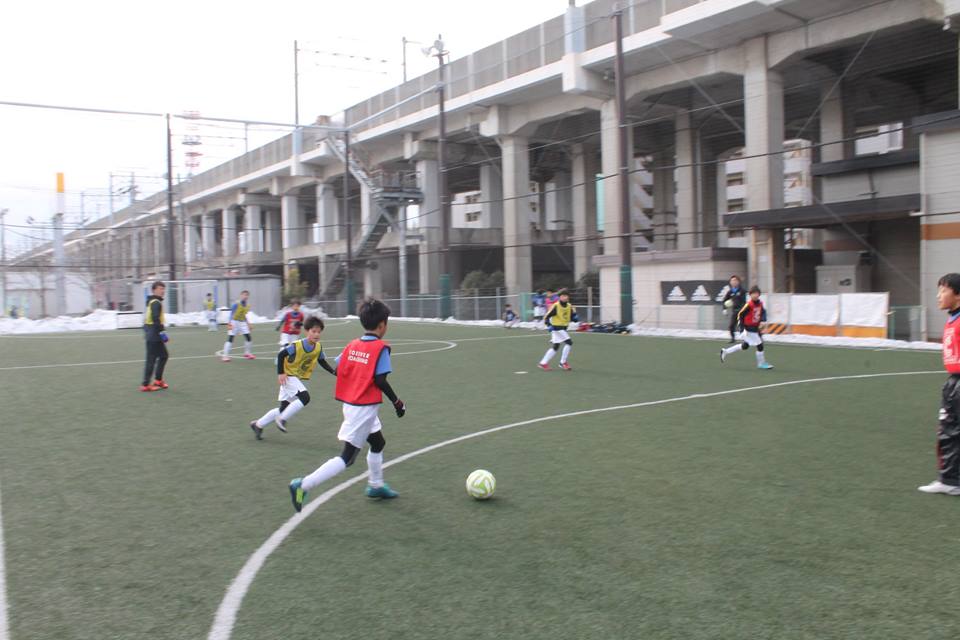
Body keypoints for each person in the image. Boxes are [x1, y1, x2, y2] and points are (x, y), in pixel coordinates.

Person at [289, 298, 406, 511]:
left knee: (378, 443)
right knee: (348, 457)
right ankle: (303, 485)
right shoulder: (381, 348)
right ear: (382, 325)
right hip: (363, 408)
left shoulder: (353, 344)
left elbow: (340, 363)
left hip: (354, 403)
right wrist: (397, 403)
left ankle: (375, 485)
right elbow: (380, 380)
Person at [249, 315, 336, 440]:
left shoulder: (318, 347)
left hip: (297, 378)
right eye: (313, 331)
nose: (316, 334)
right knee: (305, 398)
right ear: (307, 331)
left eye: (319, 332)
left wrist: (333, 372)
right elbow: (281, 355)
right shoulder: (297, 345)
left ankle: (258, 425)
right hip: (288, 376)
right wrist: (281, 373)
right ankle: (282, 419)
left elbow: (322, 361)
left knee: (283, 408)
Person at [918, 273, 960, 496]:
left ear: (958, 295)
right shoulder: (952, 318)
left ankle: (951, 480)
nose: (938, 295)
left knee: (951, 431)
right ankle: (951, 479)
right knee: (949, 431)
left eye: (943, 290)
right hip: (953, 382)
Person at [719, 285, 773, 369]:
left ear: (759, 294)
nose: (755, 295)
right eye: (753, 293)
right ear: (750, 295)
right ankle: (761, 364)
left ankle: (725, 351)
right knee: (760, 345)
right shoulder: (749, 305)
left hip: (754, 328)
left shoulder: (760, 304)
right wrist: (741, 328)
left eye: (756, 293)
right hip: (747, 329)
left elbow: (763, 312)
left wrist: (763, 321)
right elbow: (740, 315)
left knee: (745, 346)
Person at [538, 288, 578, 371]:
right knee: (569, 342)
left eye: (566, 295)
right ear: (559, 297)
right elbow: (546, 317)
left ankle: (543, 363)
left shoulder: (569, 306)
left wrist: (574, 318)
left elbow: (572, 316)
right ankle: (563, 362)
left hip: (563, 328)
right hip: (556, 328)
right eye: (563, 296)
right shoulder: (556, 306)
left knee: (556, 347)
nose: (565, 297)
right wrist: (548, 325)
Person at [141, 281, 170, 392]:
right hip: (154, 335)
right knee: (151, 360)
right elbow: (155, 318)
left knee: (163, 356)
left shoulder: (152, 301)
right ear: (154, 290)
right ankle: (145, 384)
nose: (162, 291)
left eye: (163, 289)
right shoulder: (155, 302)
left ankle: (158, 380)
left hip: (152, 334)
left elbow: (149, 319)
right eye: (160, 289)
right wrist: (162, 333)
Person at [222, 290, 254, 362]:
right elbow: (231, 314)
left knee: (248, 337)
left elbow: (244, 315)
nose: (245, 296)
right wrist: (229, 323)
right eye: (244, 295)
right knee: (231, 338)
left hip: (242, 323)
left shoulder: (246, 305)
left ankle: (247, 353)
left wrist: (248, 324)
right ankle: (225, 356)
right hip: (234, 322)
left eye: (247, 295)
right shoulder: (236, 304)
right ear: (241, 295)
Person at [721, 275, 746, 343]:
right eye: (732, 281)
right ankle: (733, 338)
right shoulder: (730, 292)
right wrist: (724, 309)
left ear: (738, 282)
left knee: (741, 326)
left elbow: (745, 301)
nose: (733, 282)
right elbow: (724, 301)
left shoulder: (742, 291)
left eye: (735, 280)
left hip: (742, 311)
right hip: (734, 311)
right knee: (731, 325)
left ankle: (745, 339)